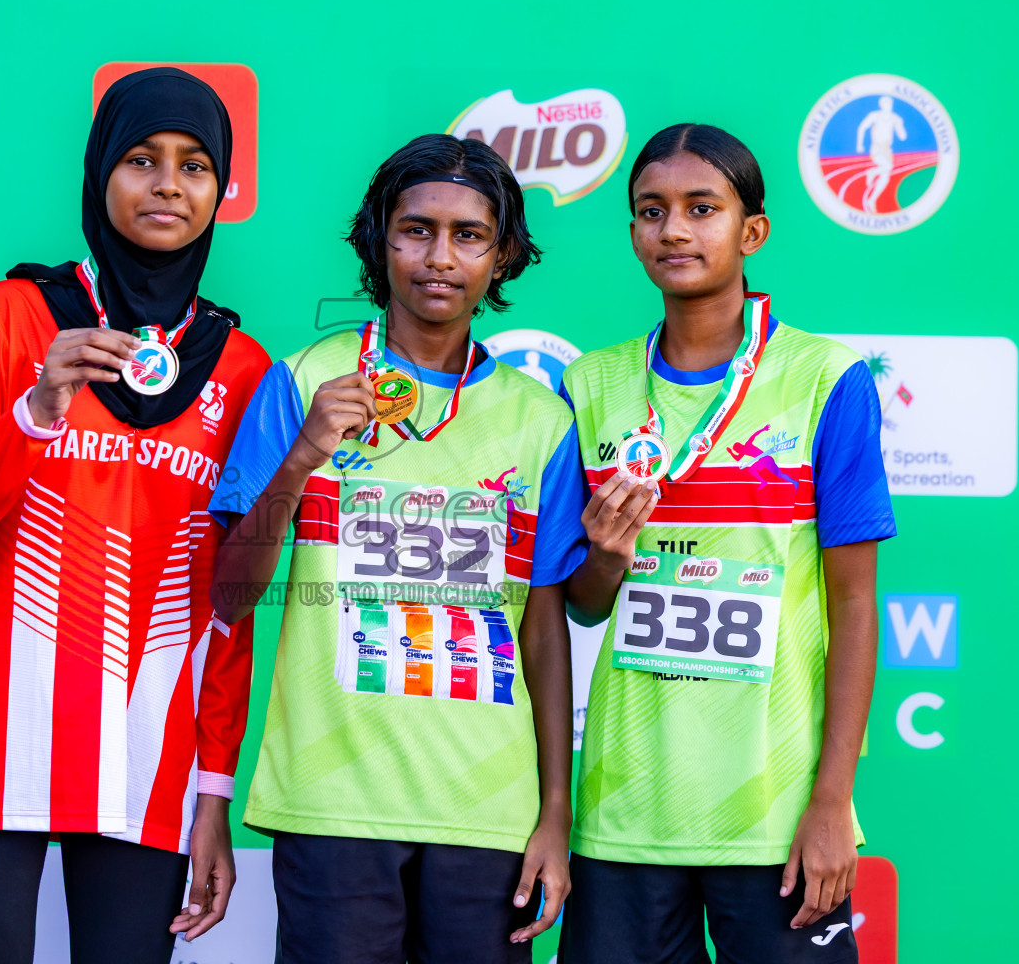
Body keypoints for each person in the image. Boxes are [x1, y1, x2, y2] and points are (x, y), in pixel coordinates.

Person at [0, 67, 271, 964]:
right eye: (142, 160)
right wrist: (36, 410)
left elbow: (225, 607)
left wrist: (214, 791)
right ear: (101, 171)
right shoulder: (15, 317)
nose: (167, 186)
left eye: (194, 166)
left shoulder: (242, 365)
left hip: (147, 766)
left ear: (220, 190)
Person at [208, 133, 588, 964]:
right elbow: (229, 598)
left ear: (504, 252)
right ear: (380, 238)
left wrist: (554, 813)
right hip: (332, 804)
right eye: (416, 230)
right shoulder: (304, 380)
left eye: (469, 235)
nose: (439, 257)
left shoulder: (542, 422)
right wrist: (305, 453)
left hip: (486, 812)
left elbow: (545, 633)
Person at [558, 123, 896, 964]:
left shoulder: (826, 378)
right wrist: (603, 555)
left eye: (701, 209)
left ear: (752, 233)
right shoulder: (590, 385)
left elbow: (855, 604)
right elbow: (584, 603)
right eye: (650, 211)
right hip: (625, 815)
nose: (673, 230)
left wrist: (831, 801)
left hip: (775, 816)